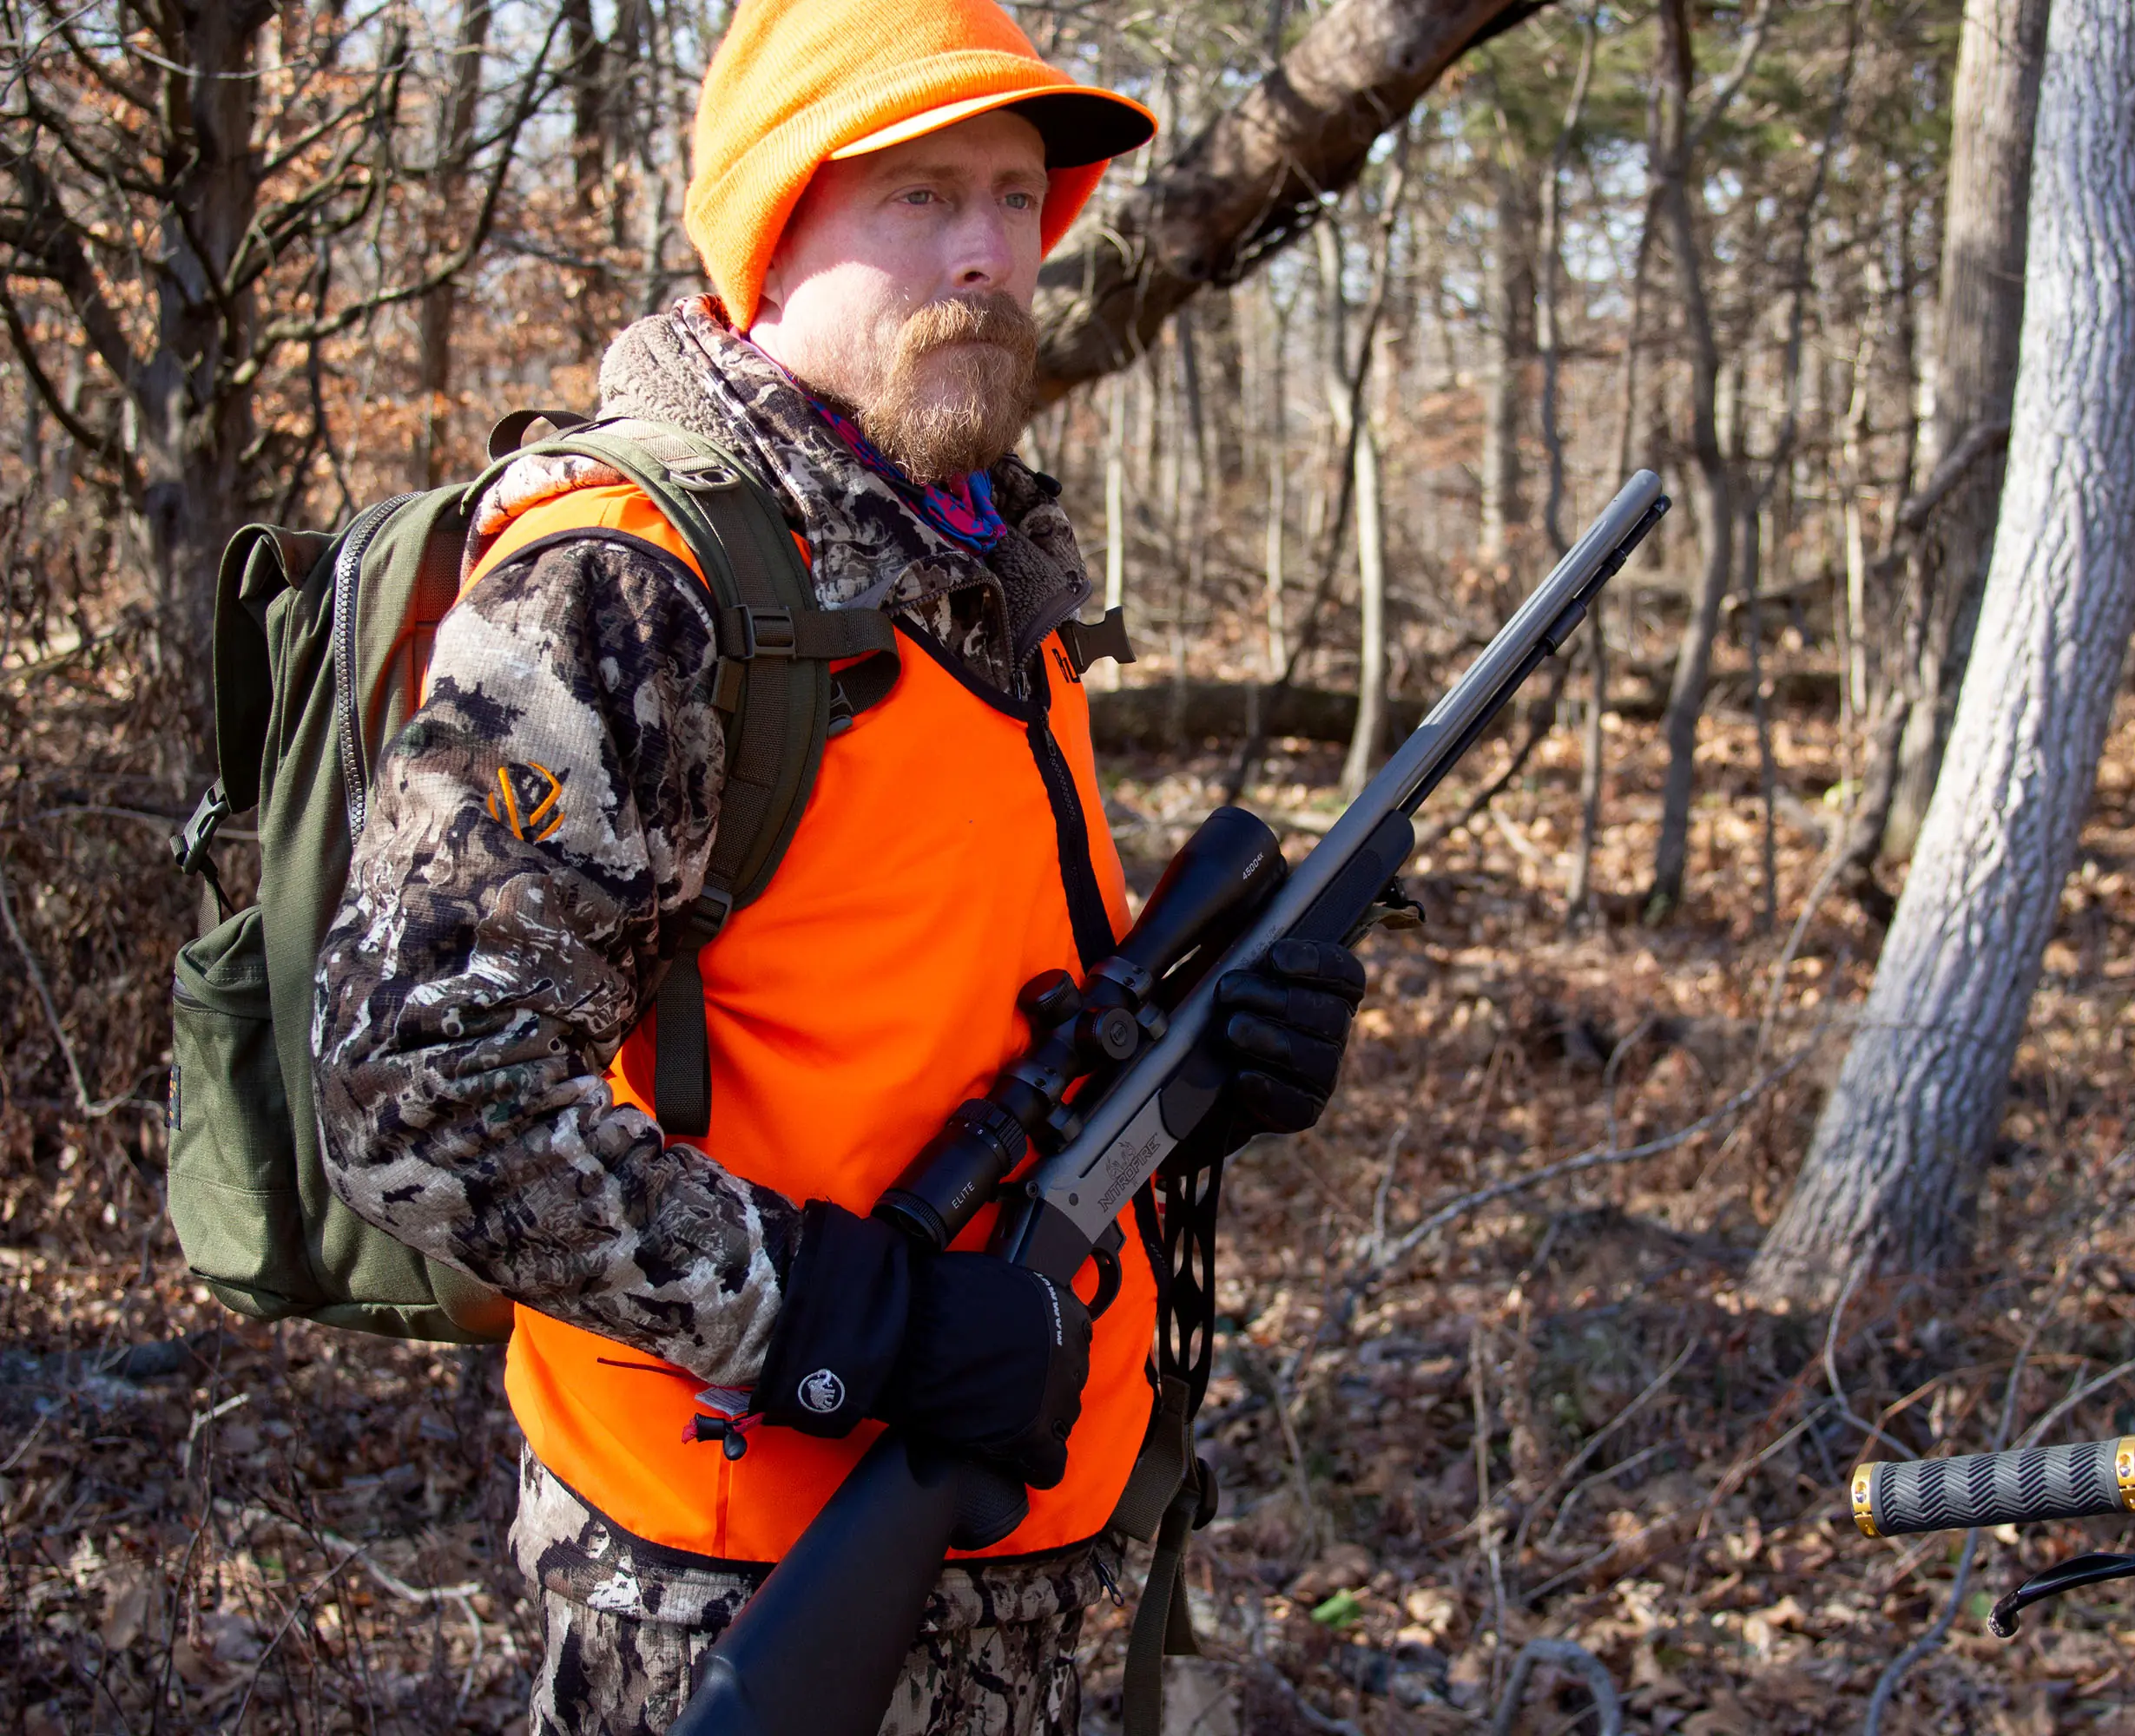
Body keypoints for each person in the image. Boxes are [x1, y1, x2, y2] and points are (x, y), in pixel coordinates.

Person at [309, 3, 1367, 1730]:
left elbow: (941, 1002)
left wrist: (1209, 1076)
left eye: (1018, 197)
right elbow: (417, 1090)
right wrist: (851, 1321)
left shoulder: (977, 555)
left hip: (1021, 1540)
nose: (984, 256)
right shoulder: (627, 583)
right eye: (915, 195)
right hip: (721, 1594)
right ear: (769, 229)